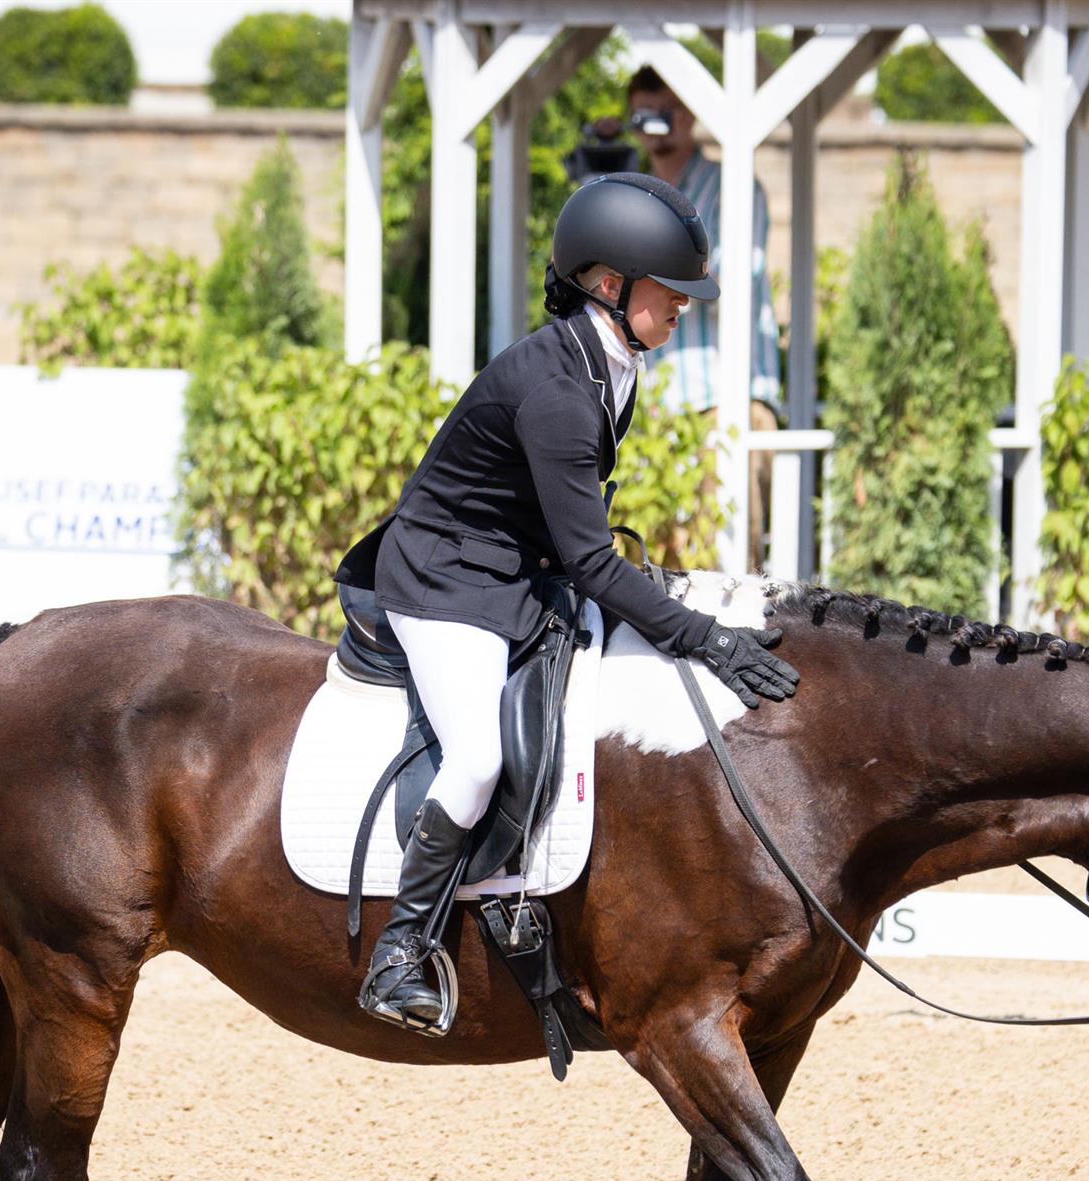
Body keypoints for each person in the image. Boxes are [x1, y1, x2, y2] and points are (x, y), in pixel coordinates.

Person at [334, 174, 800, 1036]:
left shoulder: (612, 361)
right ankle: (402, 951)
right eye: (672, 292)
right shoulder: (556, 387)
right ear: (610, 285)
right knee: (477, 756)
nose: (684, 309)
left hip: (513, 568)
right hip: (446, 583)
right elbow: (589, 560)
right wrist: (704, 639)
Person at [625, 66, 784, 563]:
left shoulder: (732, 186)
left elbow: (723, 283)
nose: (656, 126)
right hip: (654, 413)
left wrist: (639, 264)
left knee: (731, 571)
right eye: (643, 115)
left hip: (725, 407)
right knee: (651, 572)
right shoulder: (629, 191)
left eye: (664, 111)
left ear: (691, 109)